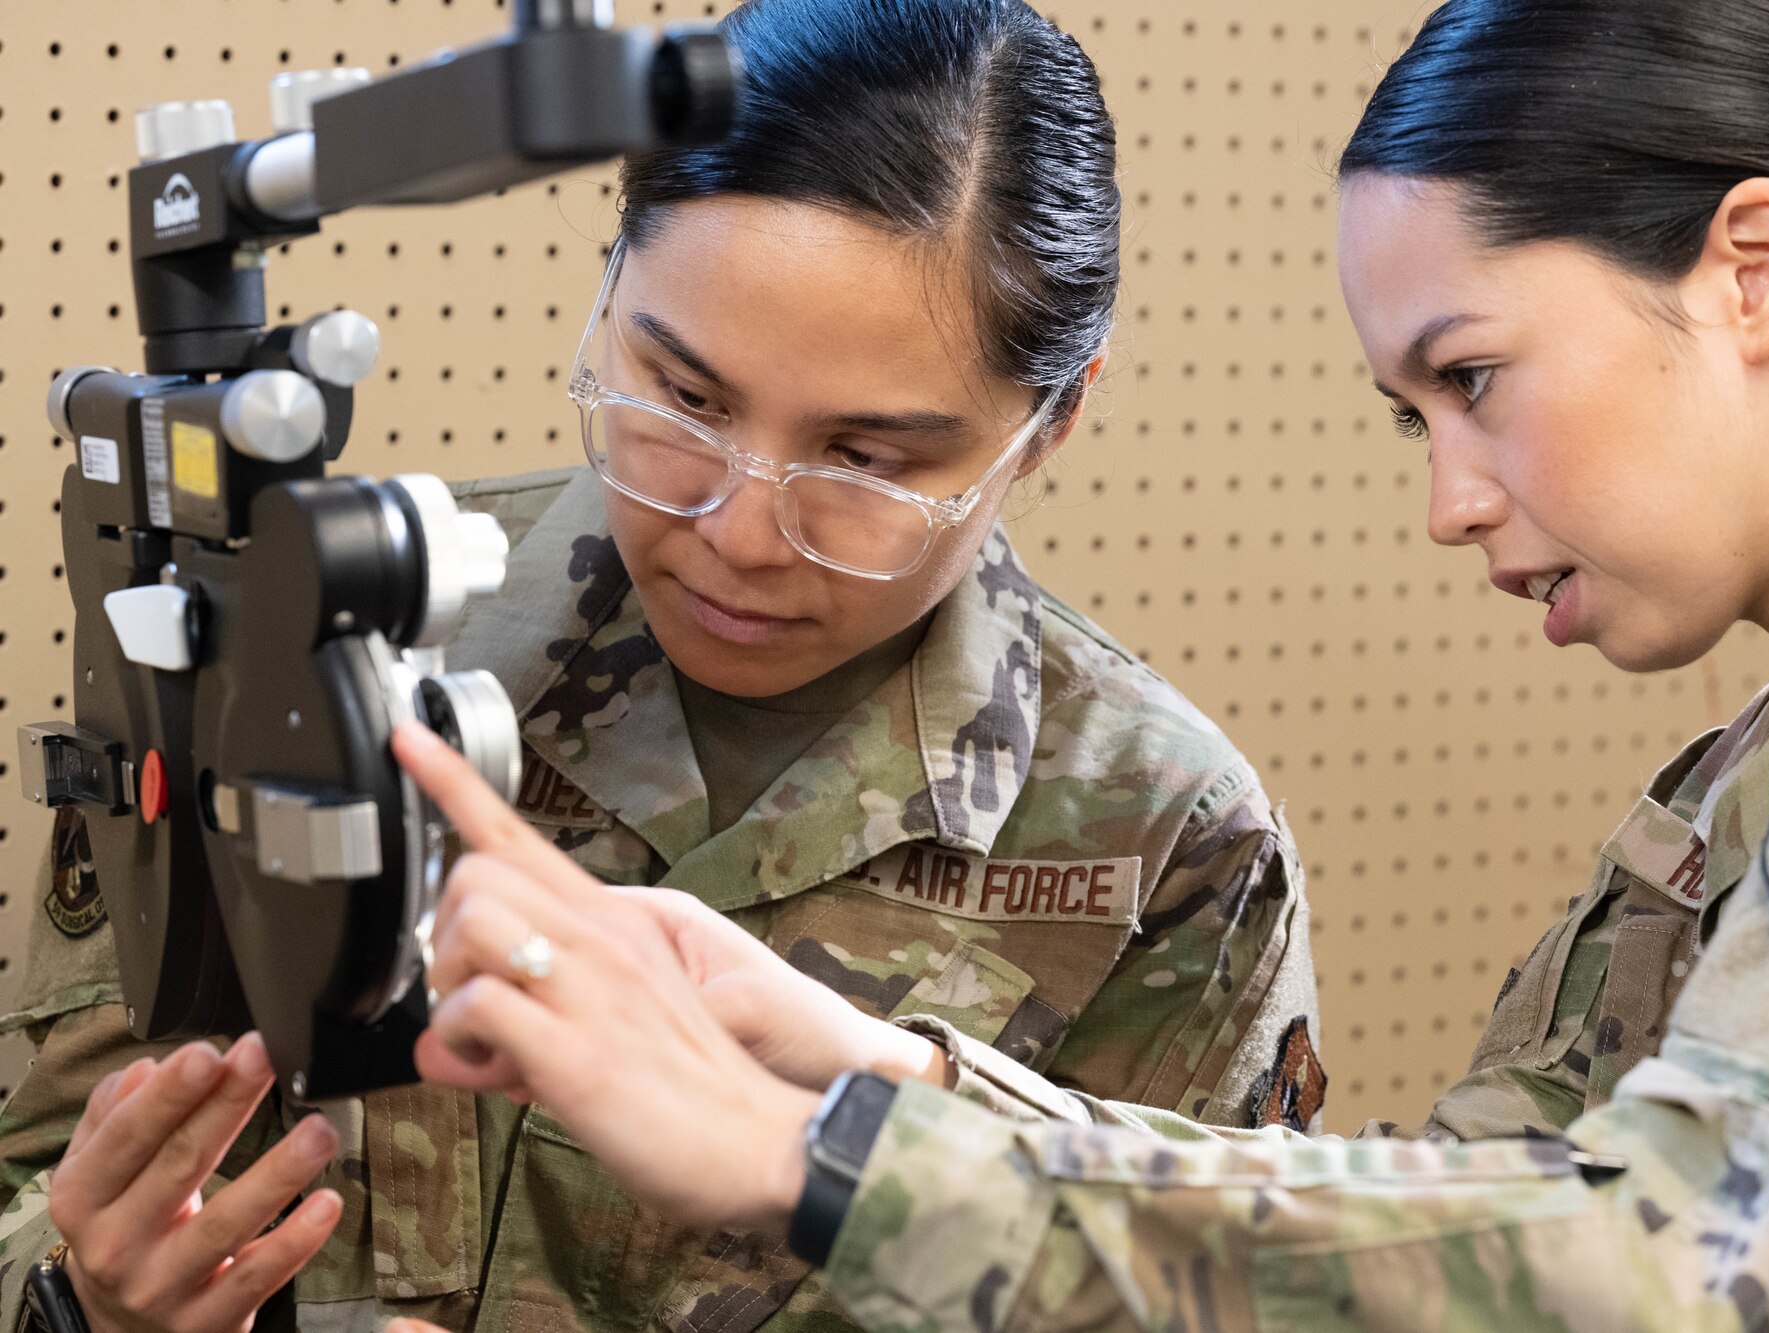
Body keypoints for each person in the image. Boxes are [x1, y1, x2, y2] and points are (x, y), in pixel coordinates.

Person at [365, 0, 1769, 1327]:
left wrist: (822, 1156)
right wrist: (889, 1069)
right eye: (1408, 414)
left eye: (1476, 376)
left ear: (1757, 271)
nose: (1446, 502)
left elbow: (1676, 1274)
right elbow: (1486, 1203)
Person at [0, 1, 1326, 1329]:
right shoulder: (290, 646)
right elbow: (38, 1191)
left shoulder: (1173, 848)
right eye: (684, 399)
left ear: (1052, 420)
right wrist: (85, 1306)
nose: (739, 536)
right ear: (614, 288)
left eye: (864, 460)